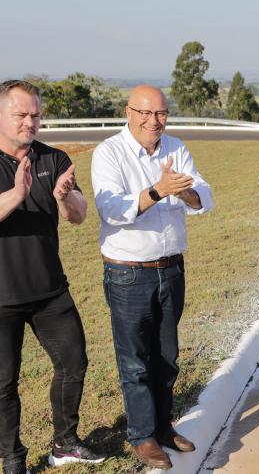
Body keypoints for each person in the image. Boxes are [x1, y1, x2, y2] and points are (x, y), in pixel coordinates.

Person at [0, 80, 104, 474]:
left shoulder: (53, 158)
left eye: (35, 115)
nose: (30, 122)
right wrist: (15, 195)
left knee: (74, 363)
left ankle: (65, 443)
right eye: (21, 115)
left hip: (50, 289)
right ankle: (13, 460)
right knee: (3, 382)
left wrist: (65, 195)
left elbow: (79, 215)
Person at [91, 85, 214, 470]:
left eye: (160, 113)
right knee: (136, 362)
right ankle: (141, 435)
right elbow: (111, 209)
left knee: (167, 357)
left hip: (170, 268)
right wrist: (159, 190)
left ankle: (163, 426)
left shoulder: (175, 147)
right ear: (127, 112)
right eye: (144, 113)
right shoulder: (108, 153)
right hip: (129, 273)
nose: (153, 121)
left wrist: (187, 193)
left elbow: (204, 196)